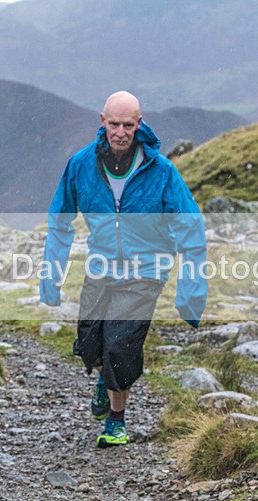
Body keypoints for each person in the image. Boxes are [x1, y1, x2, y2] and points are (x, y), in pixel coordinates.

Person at [40, 91, 207, 448]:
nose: (120, 131)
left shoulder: (161, 171)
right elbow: (60, 221)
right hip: (100, 265)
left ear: (139, 124)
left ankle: (116, 421)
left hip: (146, 269)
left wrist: (191, 291)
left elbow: (190, 227)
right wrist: (50, 275)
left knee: (120, 346)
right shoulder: (81, 165)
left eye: (128, 125)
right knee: (89, 346)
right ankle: (105, 380)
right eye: (114, 124)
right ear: (102, 121)